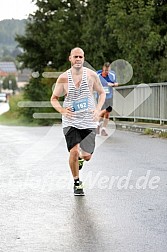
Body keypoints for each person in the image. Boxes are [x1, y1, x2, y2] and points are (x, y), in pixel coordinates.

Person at [50, 47, 106, 196]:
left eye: (81, 57)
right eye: (75, 57)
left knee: (87, 156)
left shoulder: (92, 76)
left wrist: (98, 109)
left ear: (84, 58)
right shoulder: (63, 78)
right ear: (70, 58)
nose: (78, 60)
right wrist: (62, 110)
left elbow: (102, 93)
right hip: (71, 121)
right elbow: (53, 99)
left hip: (88, 120)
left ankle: (81, 158)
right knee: (74, 151)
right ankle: (77, 182)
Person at [96, 62, 118, 136]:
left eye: (108, 70)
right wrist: (107, 84)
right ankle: (98, 124)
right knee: (102, 112)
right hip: (100, 96)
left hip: (109, 96)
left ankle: (103, 129)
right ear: (103, 69)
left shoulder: (112, 74)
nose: (106, 72)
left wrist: (114, 84)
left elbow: (116, 83)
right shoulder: (98, 75)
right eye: (105, 70)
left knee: (108, 112)